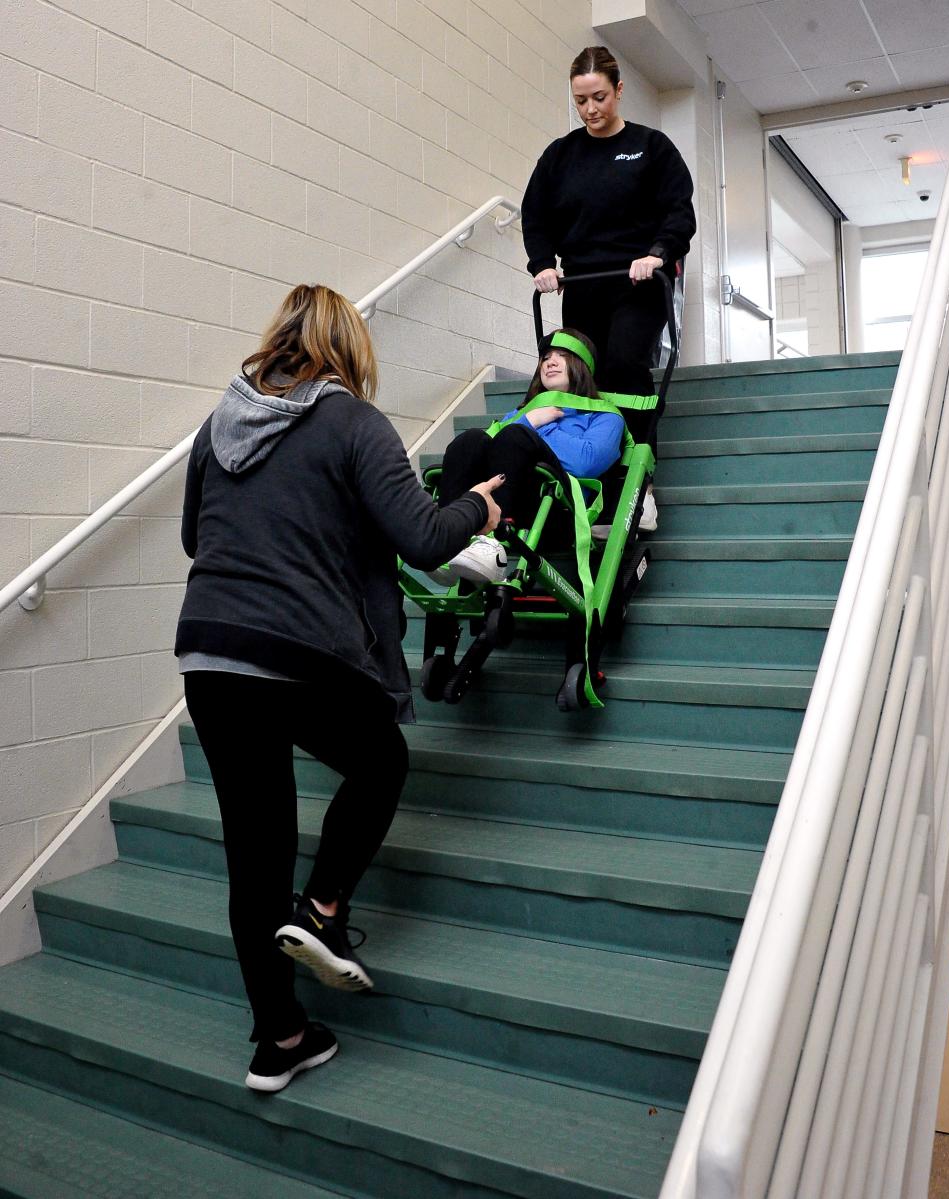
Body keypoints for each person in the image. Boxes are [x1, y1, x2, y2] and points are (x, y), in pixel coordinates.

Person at [175, 283, 502, 1093]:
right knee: (382, 759)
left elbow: (196, 536)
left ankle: (279, 1037)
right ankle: (321, 910)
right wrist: (478, 506)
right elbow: (424, 538)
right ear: (349, 351)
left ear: (278, 340)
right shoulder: (354, 420)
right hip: (294, 649)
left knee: (254, 856)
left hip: (210, 653)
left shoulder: (217, 426)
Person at [521, 44, 696, 532]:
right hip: (583, 284)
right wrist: (543, 264)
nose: (591, 110)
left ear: (619, 90)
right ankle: (587, 479)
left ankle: (638, 487)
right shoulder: (560, 156)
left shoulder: (651, 146)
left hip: (638, 281)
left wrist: (657, 252)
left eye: (599, 97)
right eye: (580, 101)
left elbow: (680, 211)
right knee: (579, 378)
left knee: (621, 362)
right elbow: (535, 215)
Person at [431, 328, 623, 585]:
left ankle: (492, 542)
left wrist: (540, 424)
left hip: (557, 509)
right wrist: (529, 418)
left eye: (561, 355)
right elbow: (489, 447)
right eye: (545, 358)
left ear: (581, 365)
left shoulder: (606, 416)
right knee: (470, 440)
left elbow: (585, 462)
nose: (550, 362)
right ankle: (445, 540)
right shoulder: (522, 415)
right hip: (504, 499)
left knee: (515, 436)